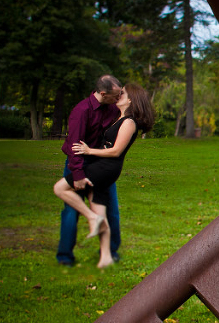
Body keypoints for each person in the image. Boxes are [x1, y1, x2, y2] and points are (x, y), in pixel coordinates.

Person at [52, 83, 155, 268]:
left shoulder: (128, 121)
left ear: (130, 100)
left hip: (102, 168)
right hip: (95, 165)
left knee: (61, 189)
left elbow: (116, 151)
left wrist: (89, 151)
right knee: (97, 210)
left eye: (122, 93)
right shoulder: (110, 113)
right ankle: (105, 256)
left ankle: (95, 226)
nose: (118, 95)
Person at [57, 75, 123, 266]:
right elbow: (74, 147)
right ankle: (65, 257)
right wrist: (78, 174)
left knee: (111, 209)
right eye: (115, 95)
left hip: (101, 165)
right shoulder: (81, 111)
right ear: (103, 93)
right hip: (79, 163)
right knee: (71, 211)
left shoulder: (112, 109)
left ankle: (111, 251)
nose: (118, 99)